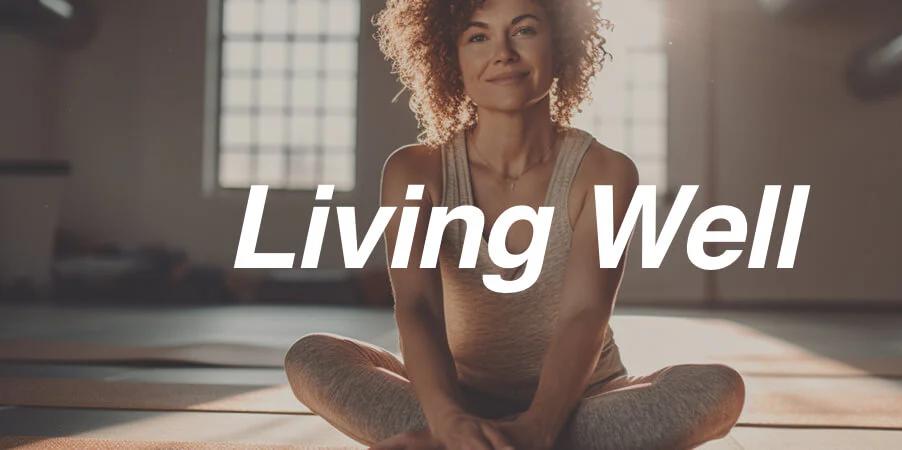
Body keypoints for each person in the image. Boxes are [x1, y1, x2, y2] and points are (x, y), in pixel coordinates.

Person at [284, 0, 745, 448]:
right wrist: (447, 420)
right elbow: (417, 306)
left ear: (560, 44)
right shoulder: (415, 171)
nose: (503, 52)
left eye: (524, 29)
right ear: (450, 58)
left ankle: (478, 443)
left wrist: (539, 428)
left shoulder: (605, 172)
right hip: (448, 399)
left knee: (718, 389)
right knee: (311, 356)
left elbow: (584, 314)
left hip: (581, 401)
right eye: (478, 35)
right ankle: (468, 439)